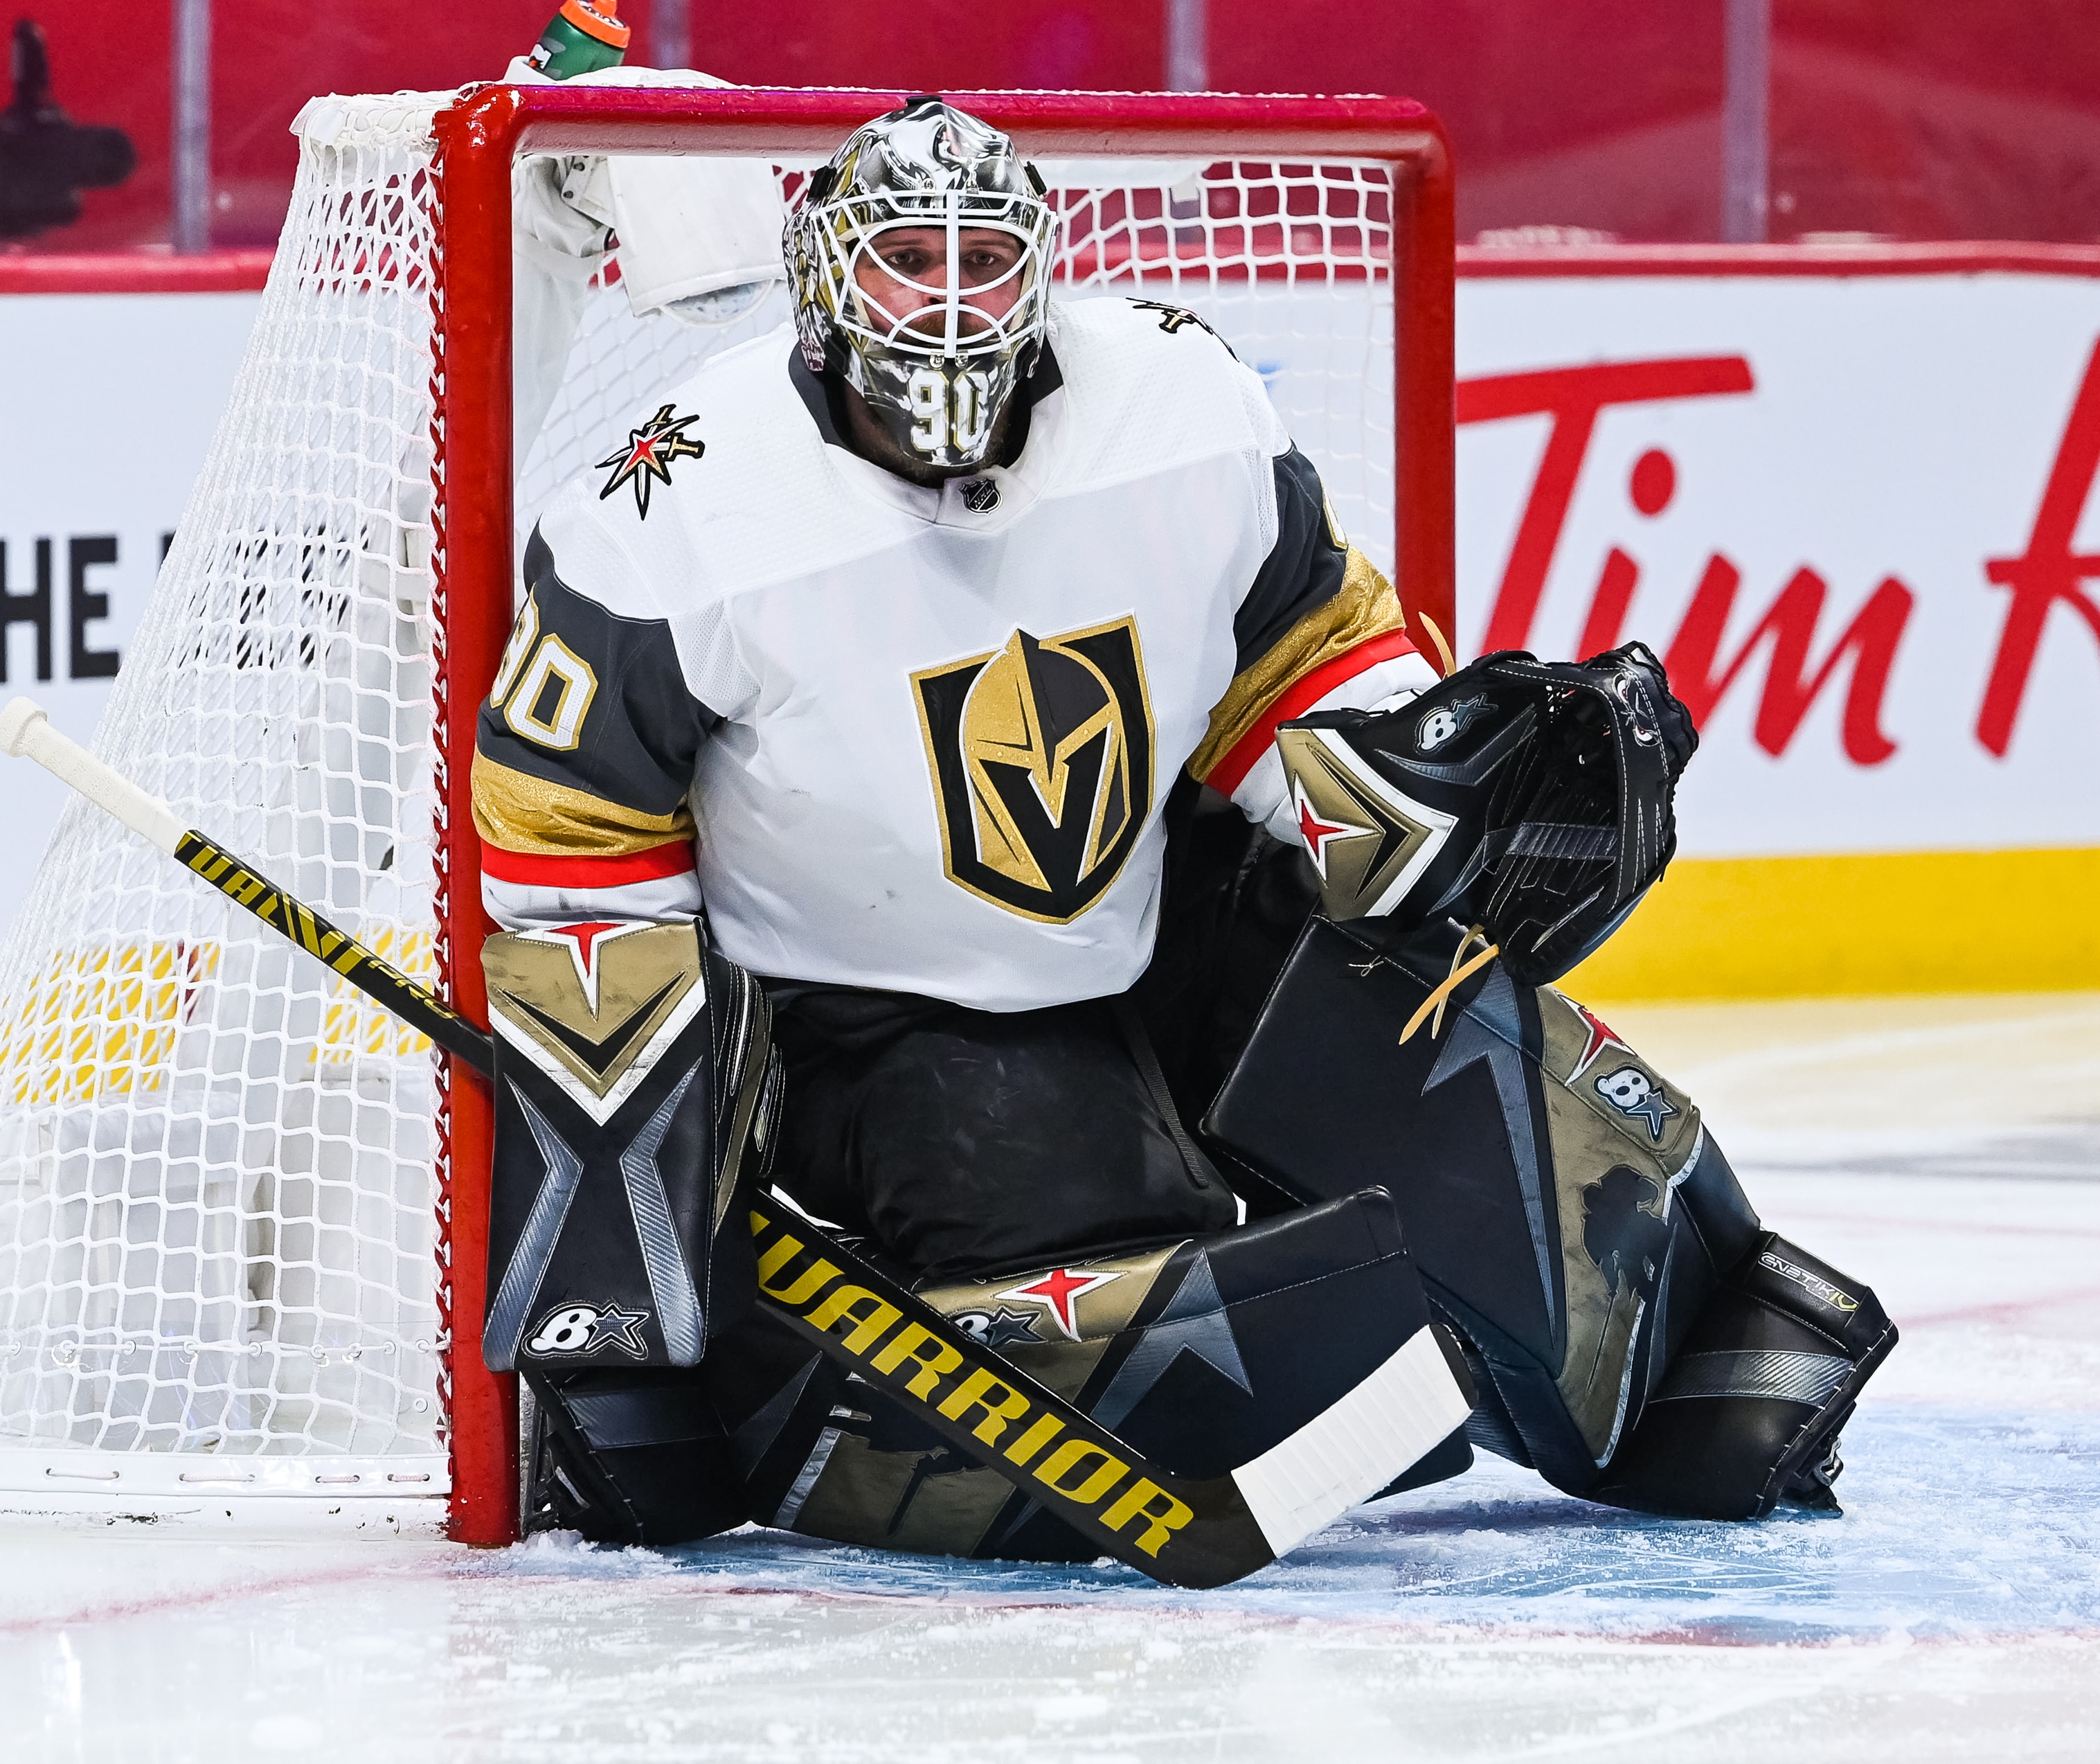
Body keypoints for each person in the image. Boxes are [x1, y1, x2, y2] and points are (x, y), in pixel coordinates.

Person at [472, 98, 1893, 1558]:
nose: (951, 299)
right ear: (830, 285)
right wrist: (626, 1322)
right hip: (867, 1021)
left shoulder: (1175, 399)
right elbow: (565, 861)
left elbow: (1300, 664)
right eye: (907, 256)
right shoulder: (676, 501)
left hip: (1150, 918)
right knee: (1161, 1313)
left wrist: (1434, 800)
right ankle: (795, 1403)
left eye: (984, 258)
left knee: (1446, 1036)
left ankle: (1692, 1363)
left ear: (1042, 270)